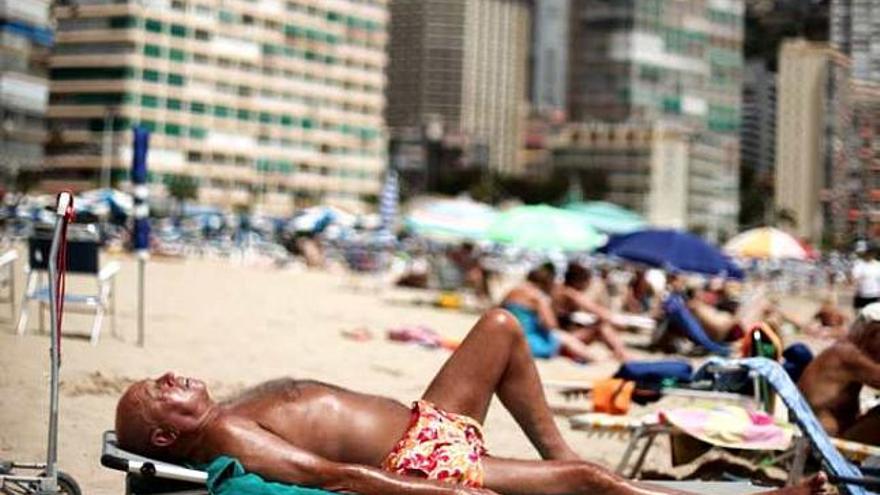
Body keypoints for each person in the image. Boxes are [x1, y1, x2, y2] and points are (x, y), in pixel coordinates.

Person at [115, 309, 826, 495]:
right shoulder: (231, 436)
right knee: (592, 484)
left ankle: (562, 458)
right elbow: (332, 476)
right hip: (420, 461)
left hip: (427, 424)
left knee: (502, 327)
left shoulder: (228, 414)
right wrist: (428, 492)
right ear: (168, 436)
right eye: (159, 390)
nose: (171, 374)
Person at [798, 302, 880, 446]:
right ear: (873, 333)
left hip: (824, 432)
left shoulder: (845, 350)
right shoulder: (848, 355)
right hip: (825, 441)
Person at [500, 263, 597, 362]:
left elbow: (498, 311)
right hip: (530, 343)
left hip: (510, 341)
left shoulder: (511, 292)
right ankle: (593, 359)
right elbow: (551, 325)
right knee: (562, 337)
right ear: (548, 282)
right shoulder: (538, 297)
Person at [552, 263, 630, 361]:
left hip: (560, 337)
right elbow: (598, 311)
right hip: (562, 341)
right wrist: (618, 321)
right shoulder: (570, 293)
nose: (588, 285)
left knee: (599, 325)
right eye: (587, 281)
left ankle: (621, 353)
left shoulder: (559, 290)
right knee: (601, 326)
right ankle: (622, 354)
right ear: (579, 281)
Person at [851, 243, 880, 311]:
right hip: (861, 295)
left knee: (874, 318)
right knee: (860, 317)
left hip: (875, 295)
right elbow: (854, 278)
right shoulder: (859, 264)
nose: (871, 255)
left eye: (873, 253)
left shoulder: (878, 265)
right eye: (868, 252)